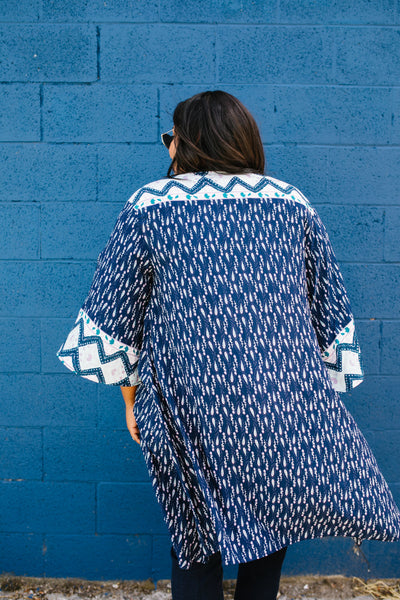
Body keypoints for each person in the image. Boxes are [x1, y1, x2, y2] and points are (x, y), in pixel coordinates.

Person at [56, 90, 400, 600]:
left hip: (190, 407)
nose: (167, 148)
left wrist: (131, 406)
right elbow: (329, 311)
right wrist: (320, 398)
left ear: (185, 142)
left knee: (194, 541)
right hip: (283, 403)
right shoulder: (291, 202)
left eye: (170, 138)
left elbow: (116, 324)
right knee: (270, 537)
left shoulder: (150, 205)